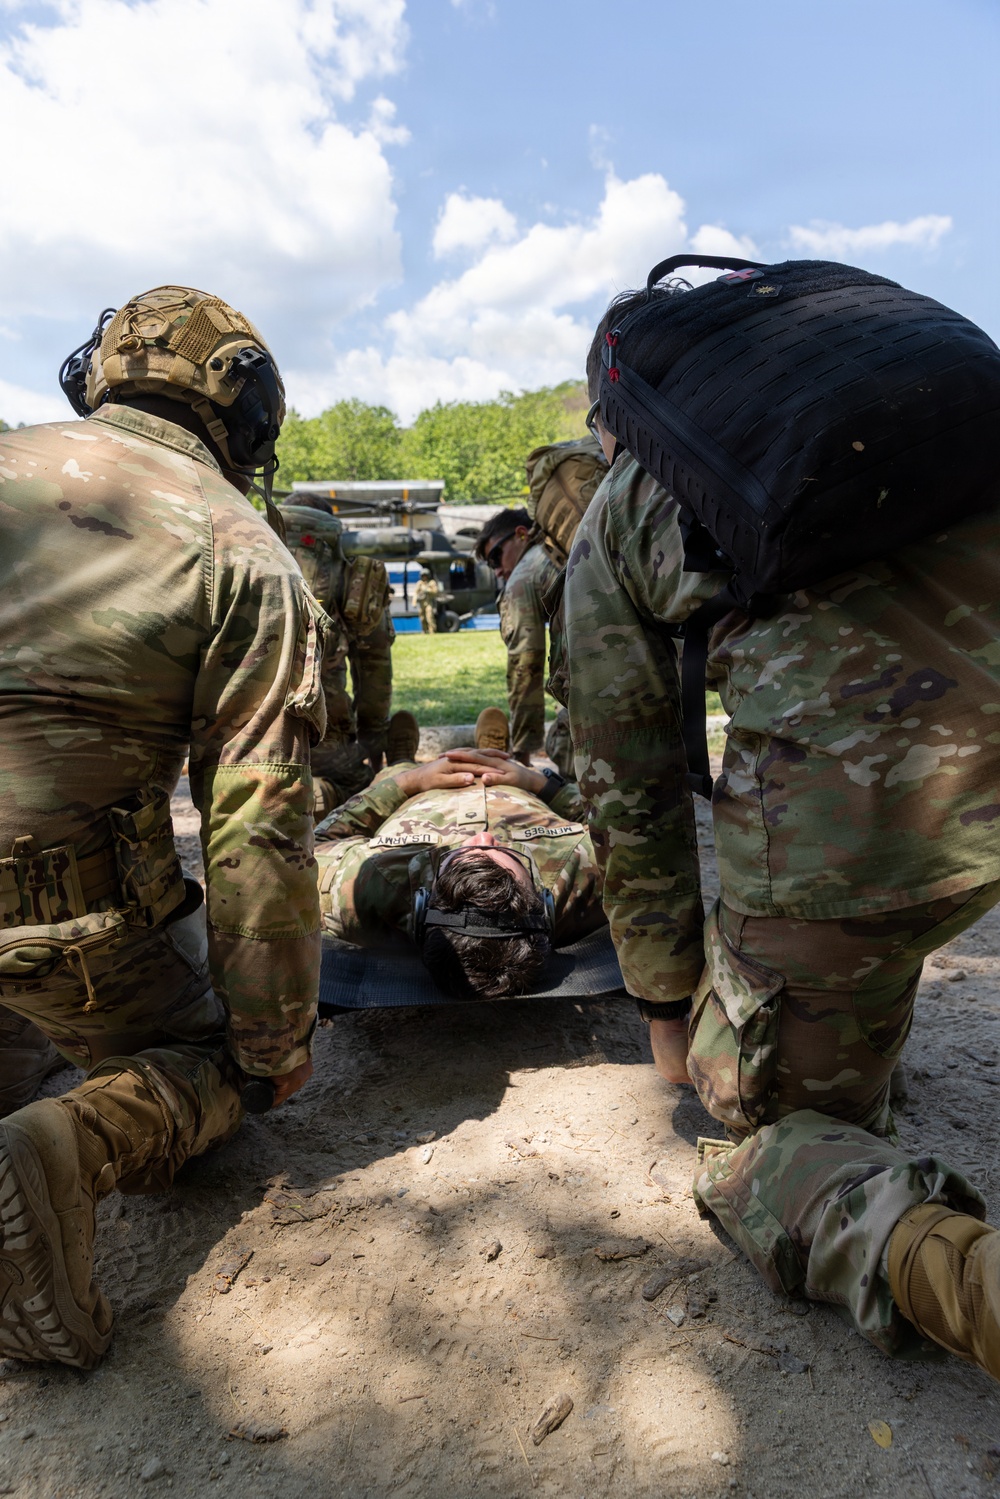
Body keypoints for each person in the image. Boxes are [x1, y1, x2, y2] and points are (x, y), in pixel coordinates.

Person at [564, 282, 1000, 1379]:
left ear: (616, 416)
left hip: (853, 863)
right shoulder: (918, 420)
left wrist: (667, 1001)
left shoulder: (633, 498)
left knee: (766, 1144)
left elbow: (627, 773)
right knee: (876, 964)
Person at [0, 285, 324, 1367]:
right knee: (204, 1060)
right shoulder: (239, 545)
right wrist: (269, 1038)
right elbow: (255, 823)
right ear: (242, 404)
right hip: (58, 920)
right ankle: (67, 1144)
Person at [314, 711, 606, 999]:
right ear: (543, 903)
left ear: (423, 902)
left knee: (391, 771)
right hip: (513, 784)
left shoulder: (369, 886)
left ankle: (401, 758)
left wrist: (408, 782)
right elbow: (617, 822)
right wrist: (539, 783)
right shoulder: (589, 875)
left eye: (458, 856)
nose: (481, 836)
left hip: (418, 795)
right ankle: (494, 752)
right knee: (500, 760)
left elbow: (315, 846)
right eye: (506, 852)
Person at [280, 495, 395, 818]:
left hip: (239, 731)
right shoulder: (352, 573)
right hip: (322, 736)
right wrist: (374, 741)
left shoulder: (237, 549)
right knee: (367, 793)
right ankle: (324, 794)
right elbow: (374, 669)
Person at [474, 509, 561, 767]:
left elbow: (525, 668)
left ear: (521, 535)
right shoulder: (556, 551)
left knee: (571, 755)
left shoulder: (523, 574)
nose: (498, 571)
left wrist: (521, 757)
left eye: (495, 558)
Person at [415, 568, 440, 633]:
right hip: (421, 604)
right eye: (423, 576)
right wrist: (414, 602)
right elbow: (415, 593)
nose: (424, 577)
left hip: (429, 603)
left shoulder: (431, 583)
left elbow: (435, 591)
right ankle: (424, 630)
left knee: (429, 617)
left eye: (425, 576)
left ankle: (432, 631)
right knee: (422, 618)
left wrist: (427, 590)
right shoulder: (419, 583)